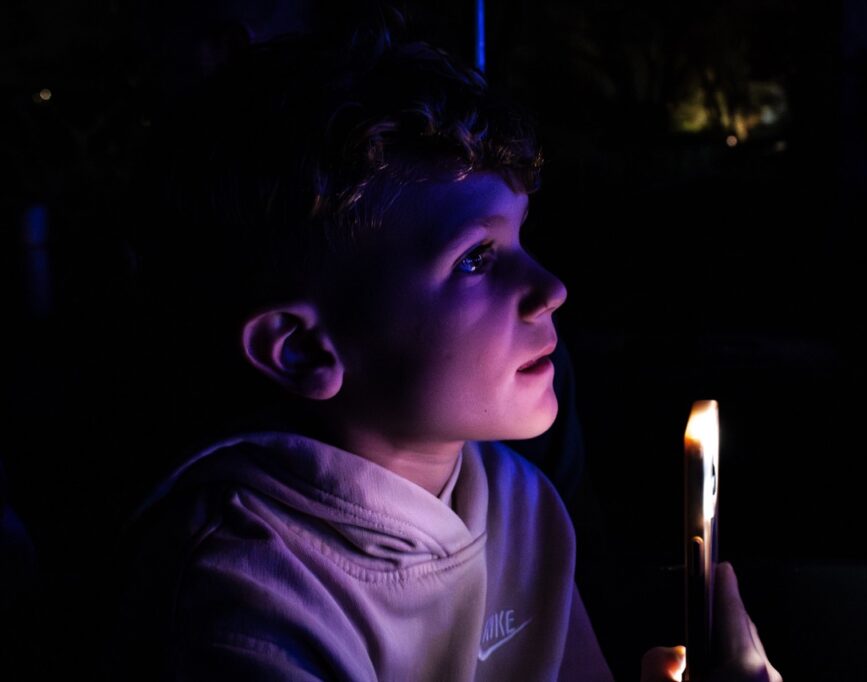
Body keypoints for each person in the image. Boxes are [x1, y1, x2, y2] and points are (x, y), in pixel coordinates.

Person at [110, 21, 780, 681]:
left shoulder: (521, 501)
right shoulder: (244, 595)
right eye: (477, 259)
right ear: (304, 349)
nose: (551, 288)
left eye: (520, 238)